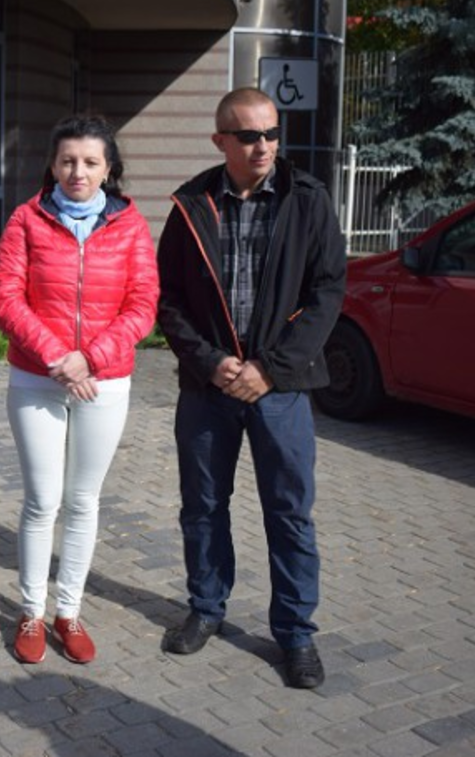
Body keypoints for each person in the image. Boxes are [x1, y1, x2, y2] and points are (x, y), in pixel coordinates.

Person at [156, 87, 346, 689]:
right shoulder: (191, 205)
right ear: (220, 141)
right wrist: (210, 362)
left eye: (271, 133)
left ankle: (295, 633)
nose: (263, 145)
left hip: (280, 389)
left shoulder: (307, 199)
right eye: (248, 135)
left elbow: (327, 292)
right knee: (202, 507)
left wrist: (271, 368)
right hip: (208, 387)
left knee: (289, 513)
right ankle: (206, 607)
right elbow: (168, 299)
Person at [0, 114, 160, 665]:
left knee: (83, 501)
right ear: (53, 164)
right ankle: (31, 611)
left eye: (90, 162)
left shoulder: (130, 225)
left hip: (104, 382)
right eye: (67, 161)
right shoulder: (26, 219)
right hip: (37, 378)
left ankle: (69, 611)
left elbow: (143, 305)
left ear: (108, 168)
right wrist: (57, 358)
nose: (77, 172)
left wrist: (90, 359)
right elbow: (6, 299)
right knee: (43, 501)